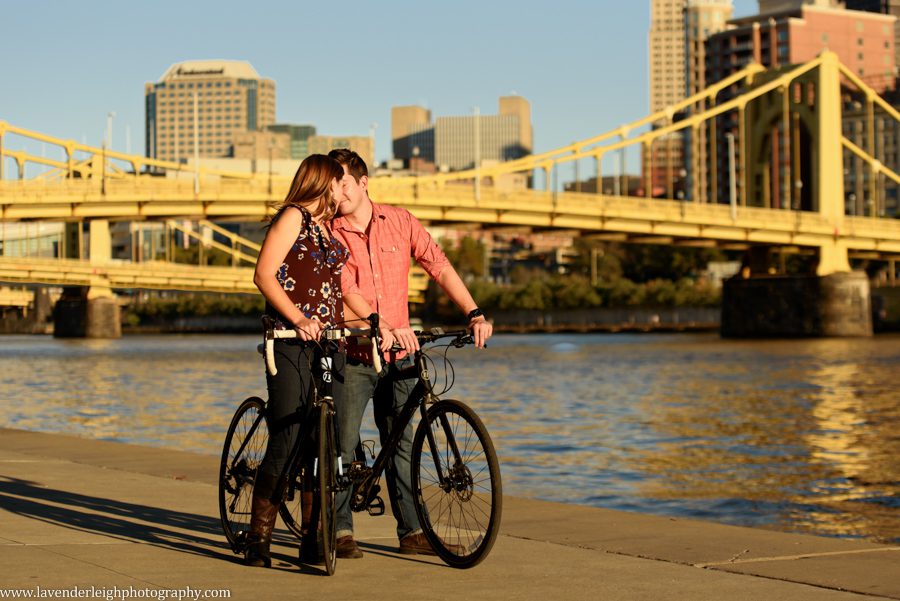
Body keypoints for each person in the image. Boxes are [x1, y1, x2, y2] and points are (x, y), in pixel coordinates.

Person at [328, 148, 493, 558]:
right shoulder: (330, 232)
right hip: (355, 351)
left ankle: (412, 532)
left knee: (402, 442)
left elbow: (438, 265)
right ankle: (340, 530)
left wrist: (473, 312)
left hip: (400, 351)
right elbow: (346, 290)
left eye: (343, 183)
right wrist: (376, 324)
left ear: (364, 182)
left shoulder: (400, 221)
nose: (337, 193)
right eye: (332, 187)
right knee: (343, 444)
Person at [247, 154, 350, 568]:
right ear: (322, 183)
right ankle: (259, 535)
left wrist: (379, 323)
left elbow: (339, 293)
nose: (343, 192)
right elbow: (264, 274)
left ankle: (313, 539)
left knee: (321, 444)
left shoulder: (328, 229)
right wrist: (298, 318)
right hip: (291, 341)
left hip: (330, 344)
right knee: (288, 436)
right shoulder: (293, 217)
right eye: (339, 184)